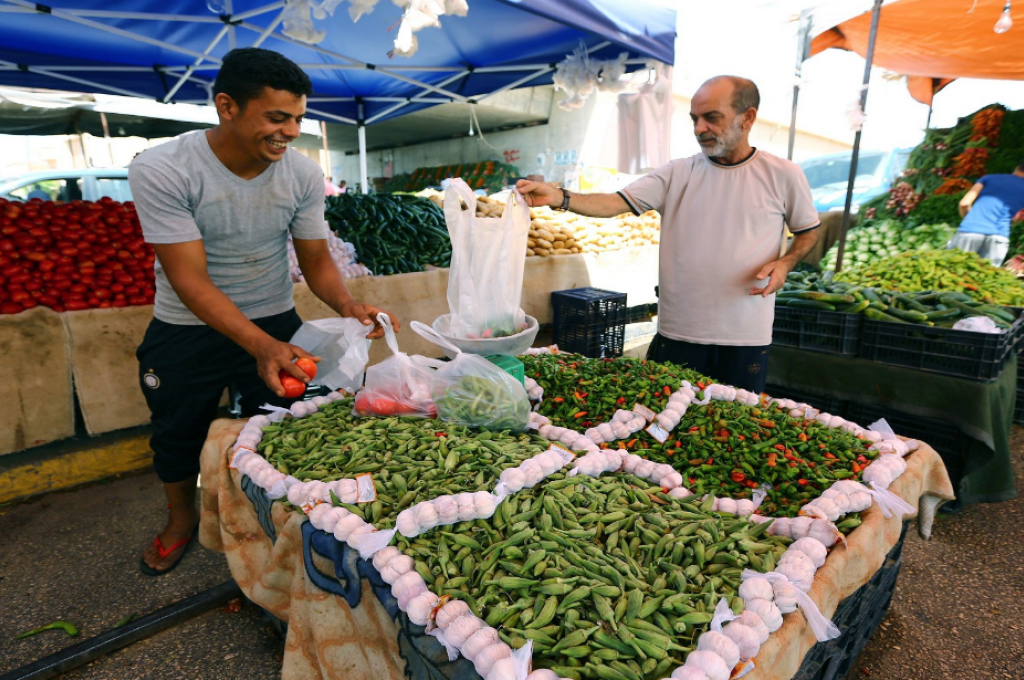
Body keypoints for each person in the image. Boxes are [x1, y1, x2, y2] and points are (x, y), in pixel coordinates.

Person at [128, 47, 397, 576]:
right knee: (176, 436)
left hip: (275, 320)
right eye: (276, 117)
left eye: (297, 118)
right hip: (188, 328)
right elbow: (189, 280)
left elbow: (316, 260)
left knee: (285, 431)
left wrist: (347, 303)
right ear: (227, 106)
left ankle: (275, 530)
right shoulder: (163, 168)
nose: (290, 131)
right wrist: (260, 345)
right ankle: (181, 523)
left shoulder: (299, 173)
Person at [517, 76, 819, 392]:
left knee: (734, 425)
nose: (699, 128)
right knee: (671, 423)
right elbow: (614, 202)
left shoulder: (783, 175)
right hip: (680, 331)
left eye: (712, 118)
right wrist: (559, 197)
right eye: (694, 119)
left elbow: (807, 232)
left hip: (745, 333)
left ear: (748, 117)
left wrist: (785, 264)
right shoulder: (677, 173)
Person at [948, 160, 1024, 265]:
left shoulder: (989, 178)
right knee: (986, 276)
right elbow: (1017, 218)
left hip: (970, 231)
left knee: (954, 270)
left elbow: (964, 204)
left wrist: (970, 219)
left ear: (1017, 167)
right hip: (999, 238)